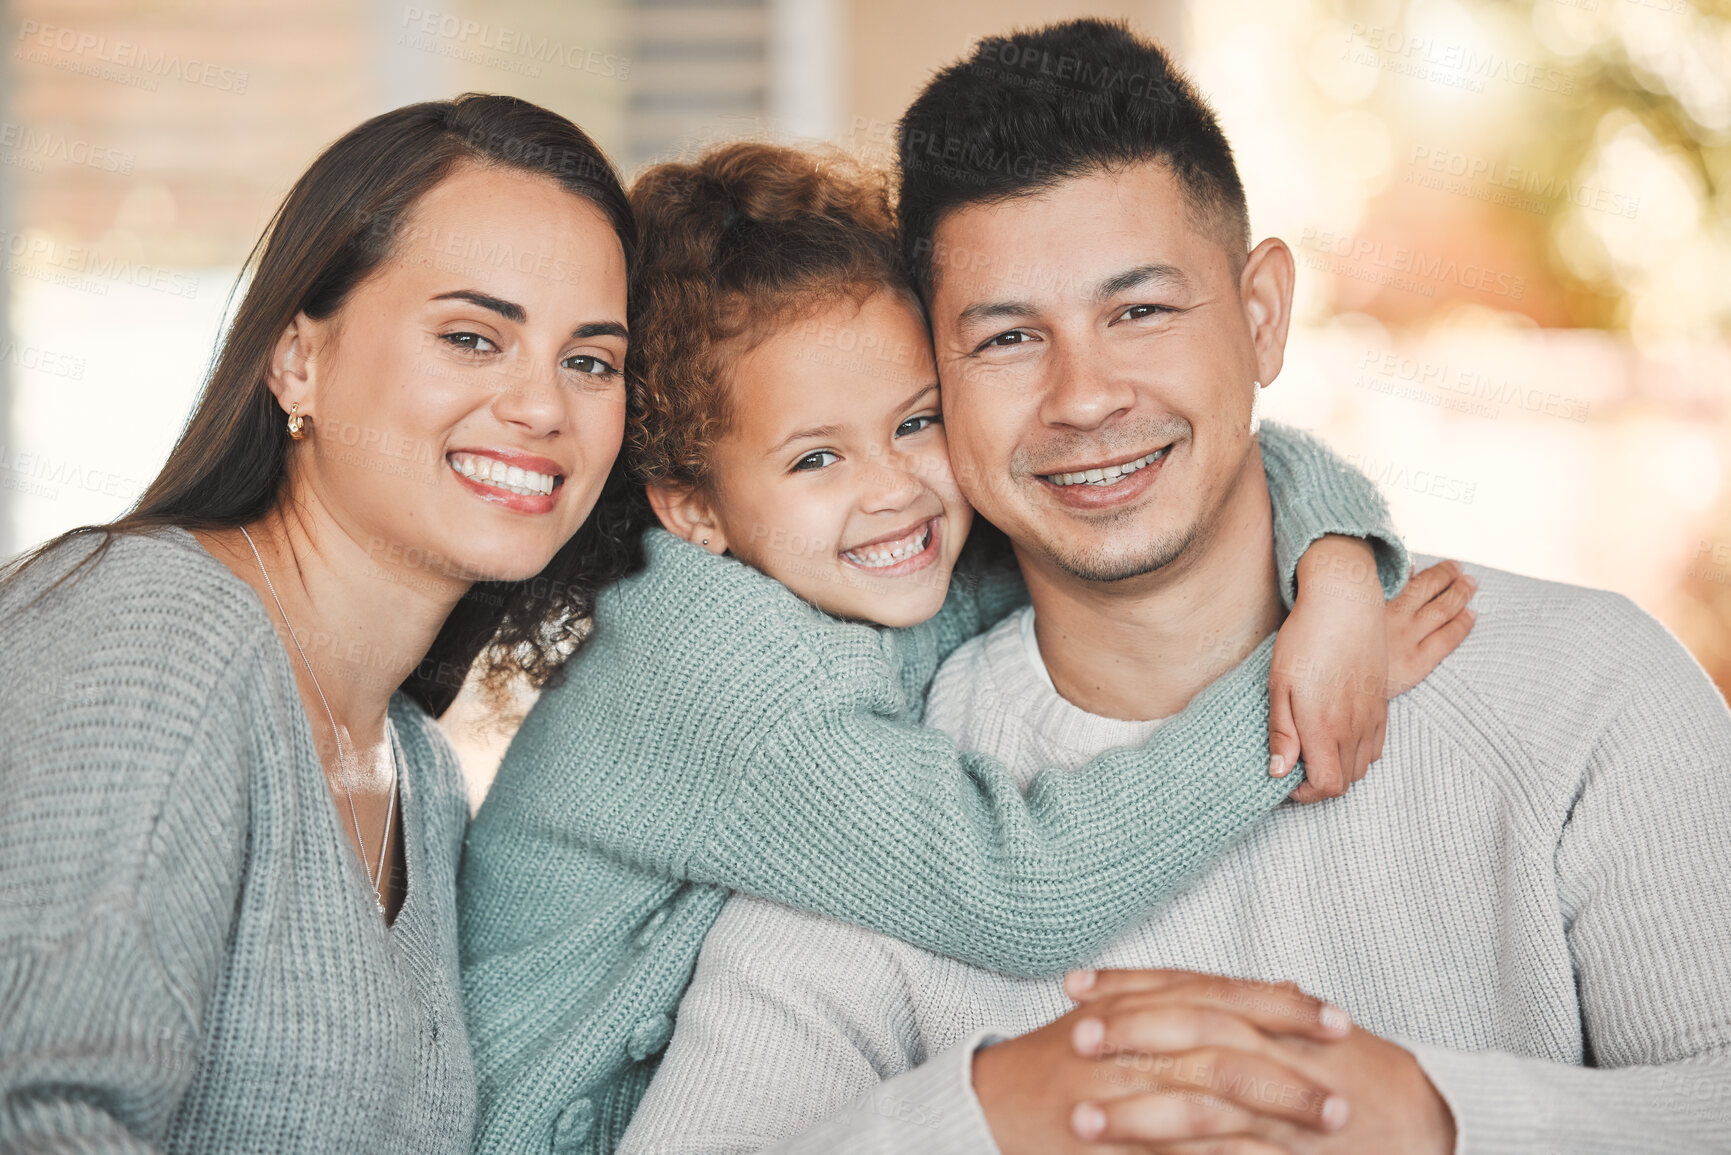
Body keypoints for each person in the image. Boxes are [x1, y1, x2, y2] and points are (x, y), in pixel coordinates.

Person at [617, 20, 1731, 1155]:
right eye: (1007, 339)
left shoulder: (1591, 694)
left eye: (1139, 311)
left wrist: (1441, 1125)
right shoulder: (880, 809)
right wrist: (988, 1117)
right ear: (936, 382)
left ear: (1260, 317)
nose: (1085, 397)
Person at [458, 141, 1476, 1154]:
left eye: (917, 423)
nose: (895, 488)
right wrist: (1298, 697)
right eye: (817, 457)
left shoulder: (850, 563)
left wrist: (1335, 569)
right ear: (693, 508)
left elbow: (1163, 490)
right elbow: (1025, 888)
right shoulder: (717, 673)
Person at [0, 94, 637, 1153]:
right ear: (297, 359)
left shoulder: (420, 778)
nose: (543, 407)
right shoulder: (154, 628)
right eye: (474, 337)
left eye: (591, 361)